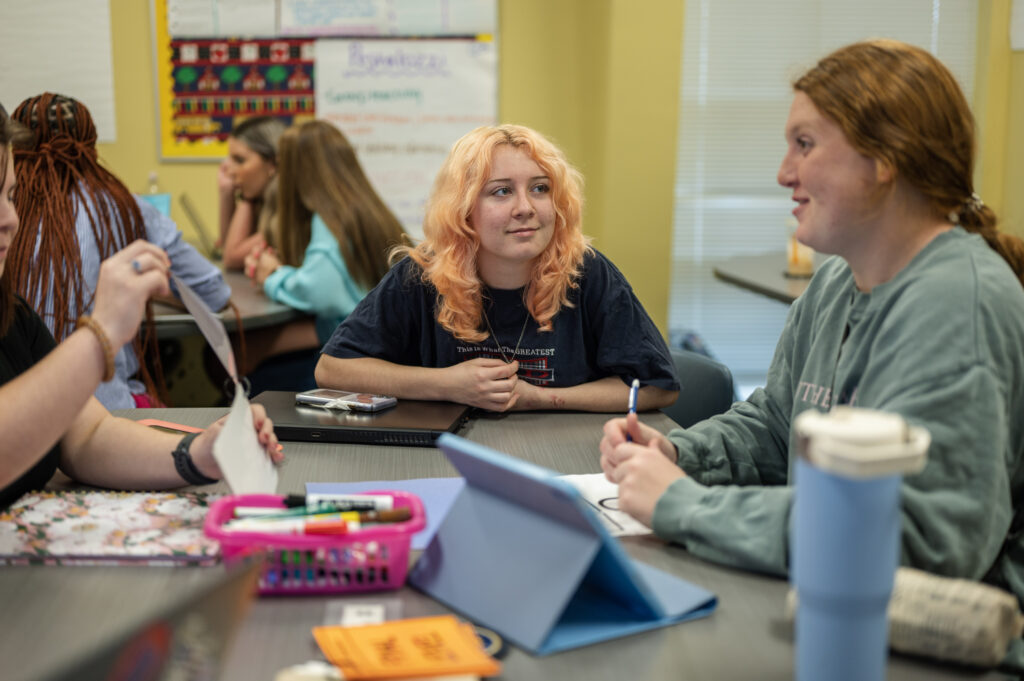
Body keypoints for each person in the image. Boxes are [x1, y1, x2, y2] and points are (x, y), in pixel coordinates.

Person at [600, 40, 1024, 624]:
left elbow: (922, 546)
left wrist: (685, 505)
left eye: (805, 144)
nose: (784, 173)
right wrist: (680, 452)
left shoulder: (958, 306)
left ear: (885, 158)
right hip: (835, 606)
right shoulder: (835, 285)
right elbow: (780, 427)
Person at [0, 107, 283, 509]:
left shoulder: (13, 315)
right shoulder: (125, 206)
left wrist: (199, 452)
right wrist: (99, 335)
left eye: (10, 195)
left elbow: (85, 434)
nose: (11, 218)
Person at [316, 124, 680, 412]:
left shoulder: (587, 271)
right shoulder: (424, 273)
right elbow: (332, 369)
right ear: (463, 210)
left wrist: (539, 398)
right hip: (445, 455)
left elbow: (656, 389)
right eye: (501, 192)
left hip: (566, 456)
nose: (525, 207)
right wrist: (447, 384)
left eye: (540, 188)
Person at [9, 93, 230, 409]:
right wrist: (148, 288)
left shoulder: (10, 212)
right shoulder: (126, 208)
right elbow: (214, 293)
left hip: (20, 414)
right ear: (93, 148)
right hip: (110, 408)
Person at [241, 120, 407, 391]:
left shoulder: (328, 220)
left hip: (356, 362)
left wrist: (272, 275)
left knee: (250, 374)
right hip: (383, 354)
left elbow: (322, 292)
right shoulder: (367, 209)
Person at [219, 115, 285, 269]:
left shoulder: (291, 207)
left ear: (273, 164)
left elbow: (232, 257)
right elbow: (226, 247)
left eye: (240, 160)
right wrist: (226, 194)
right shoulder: (260, 199)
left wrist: (245, 198)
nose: (229, 171)